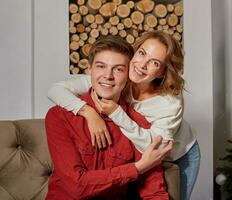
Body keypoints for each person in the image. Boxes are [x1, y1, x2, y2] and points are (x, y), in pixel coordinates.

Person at [48, 31, 200, 200]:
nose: (108, 75)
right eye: (142, 54)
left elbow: (154, 180)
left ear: (162, 72)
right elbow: (55, 89)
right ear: (89, 69)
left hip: (174, 149)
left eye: (155, 63)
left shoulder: (163, 107)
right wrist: (89, 113)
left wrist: (117, 115)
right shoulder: (60, 116)